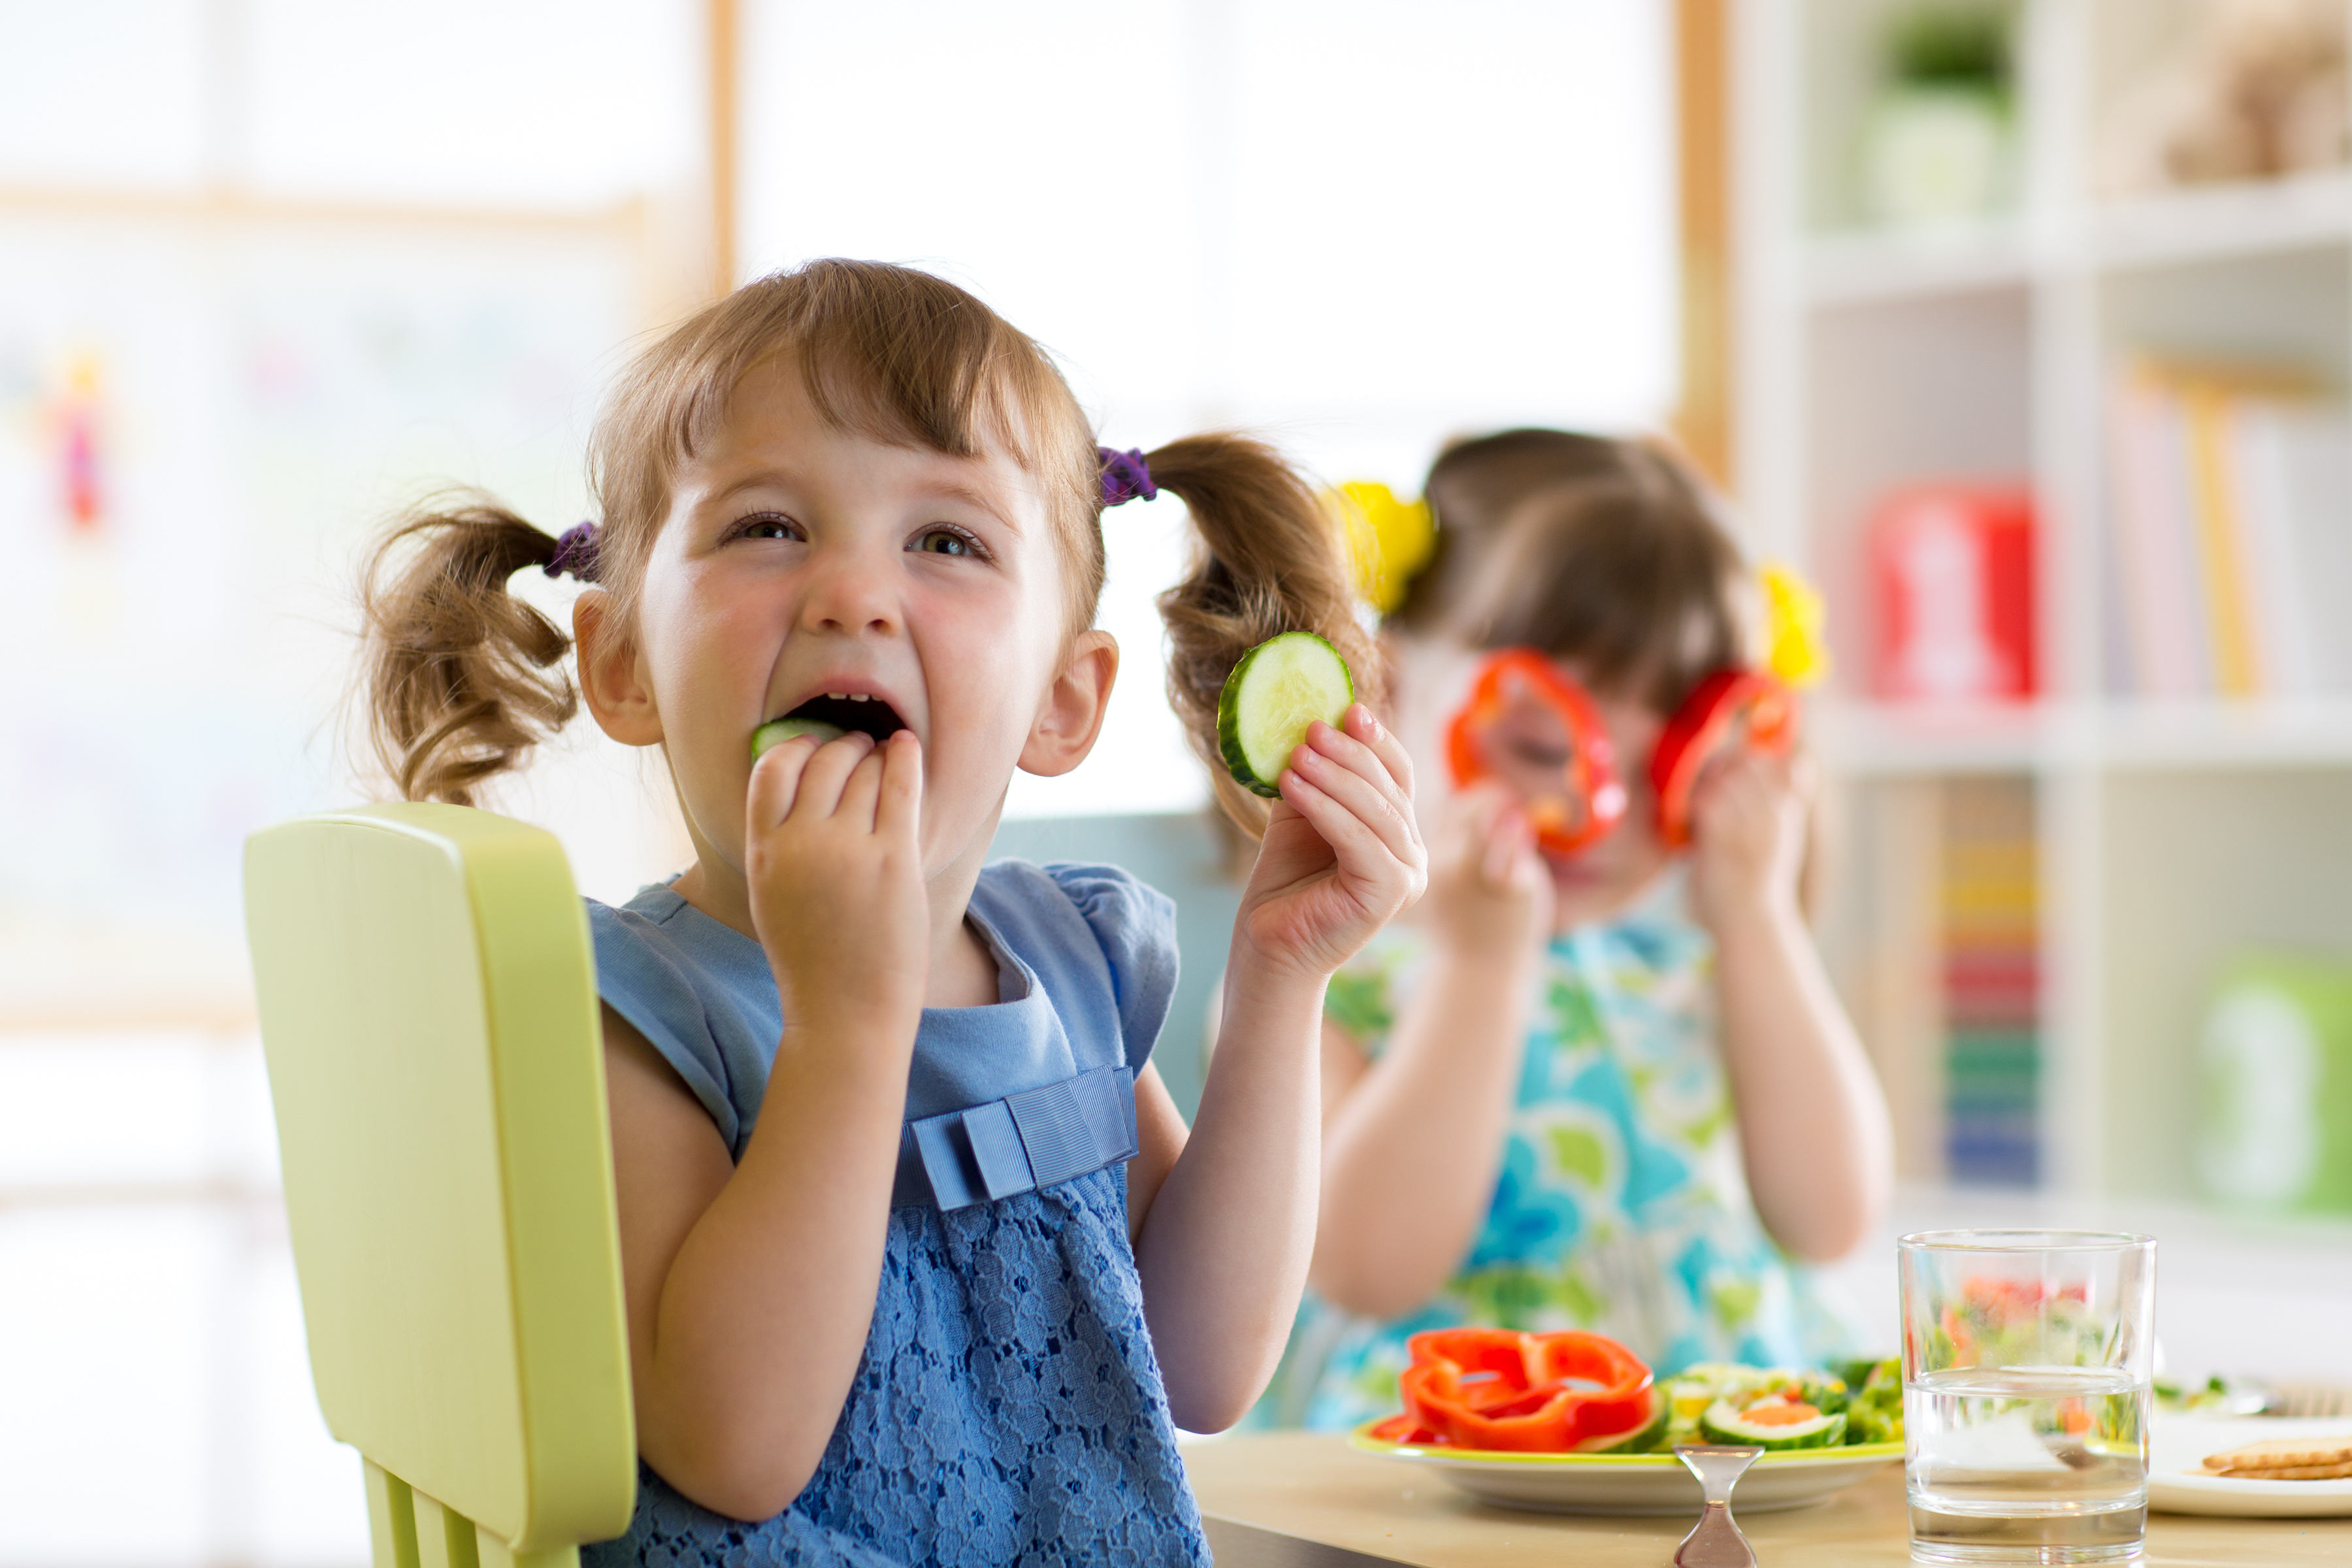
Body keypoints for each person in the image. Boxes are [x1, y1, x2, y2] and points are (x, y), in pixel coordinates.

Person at [354, 259, 1426, 1564]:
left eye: (948, 542)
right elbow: (736, 1449)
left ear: (1063, 703)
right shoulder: (625, 1008)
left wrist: (1277, 985)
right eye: (766, 528)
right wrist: (849, 1020)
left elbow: (1204, 1367)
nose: (851, 594)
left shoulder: (1071, 965)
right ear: (624, 663)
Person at [1256, 429, 1889, 1431]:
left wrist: (1760, 921)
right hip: (1463, 1459)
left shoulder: (1703, 967)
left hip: (1718, 1453)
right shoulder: (1323, 970)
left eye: (1667, 769)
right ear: (1385, 682)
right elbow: (1366, 1266)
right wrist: (1480, 965)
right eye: (1543, 746)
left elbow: (1831, 1220)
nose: (1601, 812)